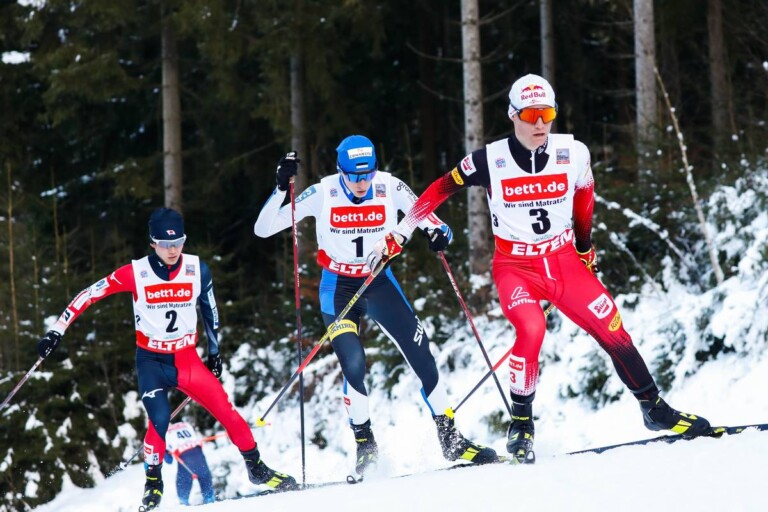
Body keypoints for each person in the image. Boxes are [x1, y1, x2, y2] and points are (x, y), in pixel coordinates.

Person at [366, 74, 711, 464]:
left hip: (564, 263)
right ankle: (522, 424)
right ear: (513, 115)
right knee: (532, 327)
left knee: (612, 327)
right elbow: (440, 189)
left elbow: (585, 196)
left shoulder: (574, 152)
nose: (539, 124)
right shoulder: (488, 160)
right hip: (516, 267)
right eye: (530, 114)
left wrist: (584, 246)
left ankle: (654, 408)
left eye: (546, 114)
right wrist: (400, 233)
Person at [254, 136, 498, 480]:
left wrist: (440, 234)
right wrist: (281, 188)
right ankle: (365, 444)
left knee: (422, 354)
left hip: (379, 281)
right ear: (340, 171)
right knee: (354, 363)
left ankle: (451, 438)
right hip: (337, 287)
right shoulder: (323, 193)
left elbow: (429, 219)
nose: (361, 182)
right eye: (353, 176)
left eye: (367, 174)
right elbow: (263, 229)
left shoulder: (389, 186)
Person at [36, 207, 297, 510]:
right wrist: (56, 330)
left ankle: (257, 468)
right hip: (151, 361)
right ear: (152, 243)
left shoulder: (197, 269)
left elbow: (210, 311)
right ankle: (153, 483)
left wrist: (214, 352)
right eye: (165, 244)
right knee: (159, 419)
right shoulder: (135, 272)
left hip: (186, 359)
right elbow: (89, 294)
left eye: (178, 243)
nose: (172, 250)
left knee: (227, 412)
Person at [164, 421, 215, 505]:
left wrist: (165, 452)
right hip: (198, 454)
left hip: (185, 458)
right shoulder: (185, 424)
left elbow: (169, 461)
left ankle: (184, 504)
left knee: (183, 491)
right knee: (206, 481)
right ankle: (211, 501)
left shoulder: (163, 434)